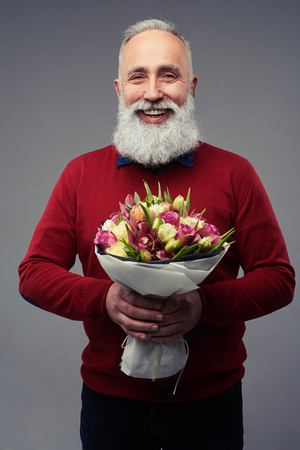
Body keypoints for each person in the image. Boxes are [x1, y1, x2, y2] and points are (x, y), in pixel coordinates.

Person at [18, 19, 295, 450]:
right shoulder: (79, 173)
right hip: (109, 404)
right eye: (137, 76)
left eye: (169, 75)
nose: (152, 93)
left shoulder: (235, 173)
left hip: (211, 404)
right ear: (117, 89)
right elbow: (33, 274)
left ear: (192, 86)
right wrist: (104, 300)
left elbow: (280, 278)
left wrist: (205, 306)